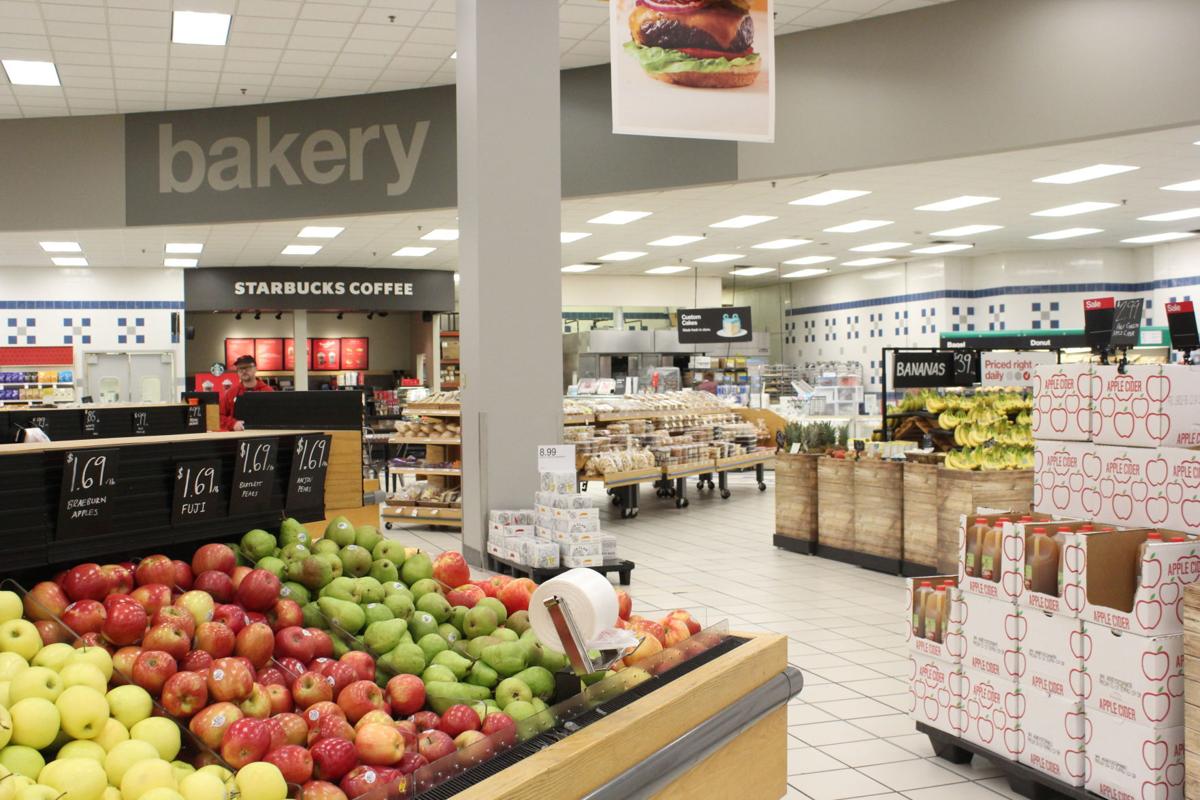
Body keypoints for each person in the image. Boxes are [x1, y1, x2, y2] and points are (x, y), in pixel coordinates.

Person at [220, 354, 274, 431]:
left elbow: (275, 417)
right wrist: (232, 424)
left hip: (263, 436)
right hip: (237, 438)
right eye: (240, 368)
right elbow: (218, 416)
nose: (244, 371)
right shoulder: (231, 393)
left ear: (255, 368)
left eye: (247, 367)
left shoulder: (268, 391)